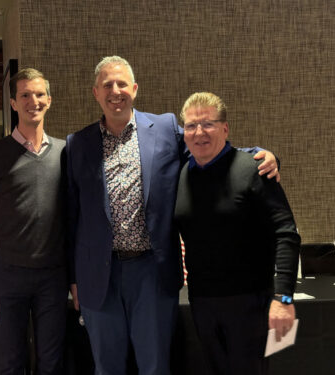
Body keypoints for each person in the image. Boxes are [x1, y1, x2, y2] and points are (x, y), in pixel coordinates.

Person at [66, 56, 280, 375]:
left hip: (151, 270)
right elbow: (72, 216)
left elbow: (207, 148)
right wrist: (73, 279)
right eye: (107, 85)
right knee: (107, 367)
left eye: (122, 83)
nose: (115, 91)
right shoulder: (78, 144)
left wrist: (257, 156)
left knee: (155, 366)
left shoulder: (165, 128)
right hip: (100, 276)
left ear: (134, 89)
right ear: (95, 93)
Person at [174, 92, 300, 375]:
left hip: (250, 304)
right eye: (191, 126)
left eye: (208, 124)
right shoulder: (183, 174)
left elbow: (287, 234)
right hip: (202, 303)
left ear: (225, 128)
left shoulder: (255, 169)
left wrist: (284, 299)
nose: (199, 132)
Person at [0, 68, 68, 375]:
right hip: (8, 276)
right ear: (13, 102)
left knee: (52, 363)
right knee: (11, 363)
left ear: (49, 100)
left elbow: (74, 220)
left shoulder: (67, 152)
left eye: (39, 94)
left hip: (53, 276)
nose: (32, 101)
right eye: (24, 95)